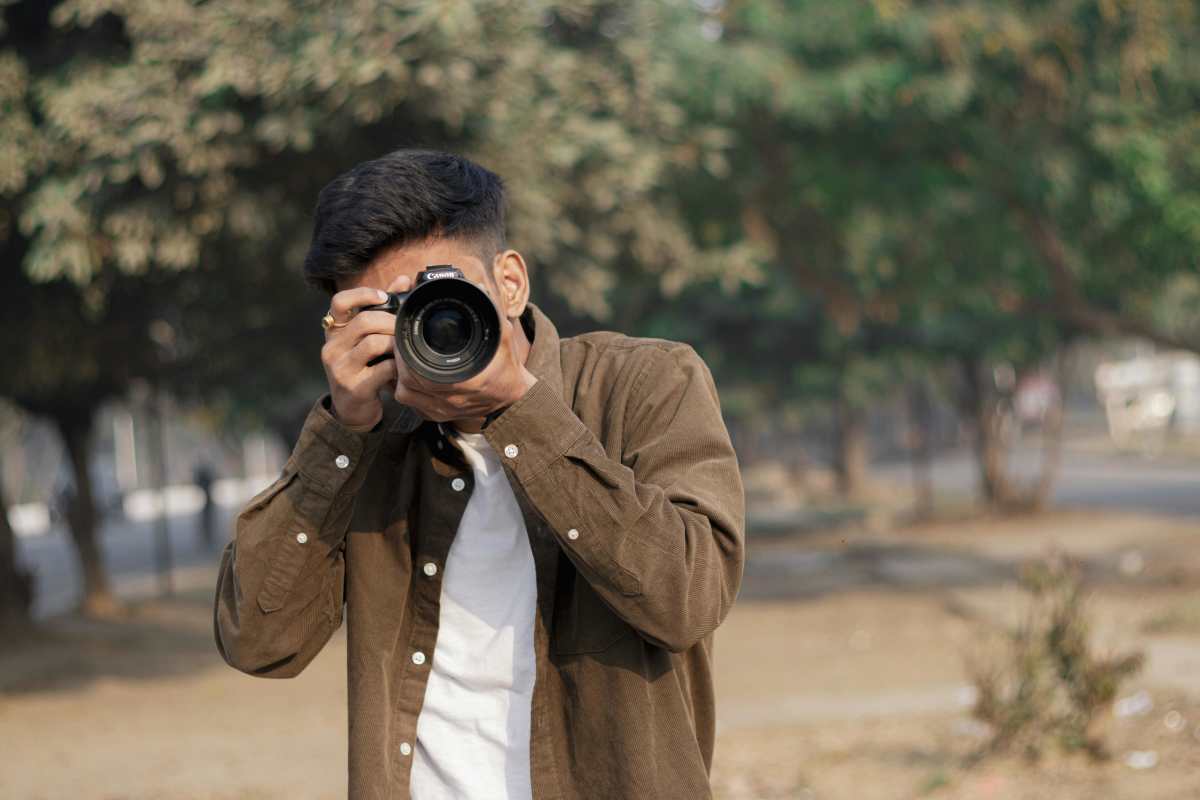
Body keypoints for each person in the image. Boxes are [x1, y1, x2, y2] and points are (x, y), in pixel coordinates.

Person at [212, 149, 745, 799]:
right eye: (393, 309)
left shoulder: (646, 382)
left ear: (511, 282)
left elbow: (686, 599)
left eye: (443, 293)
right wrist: (341, 431)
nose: (429, 323)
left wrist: (521, 412)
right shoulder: (369, 444)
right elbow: (260, 642)